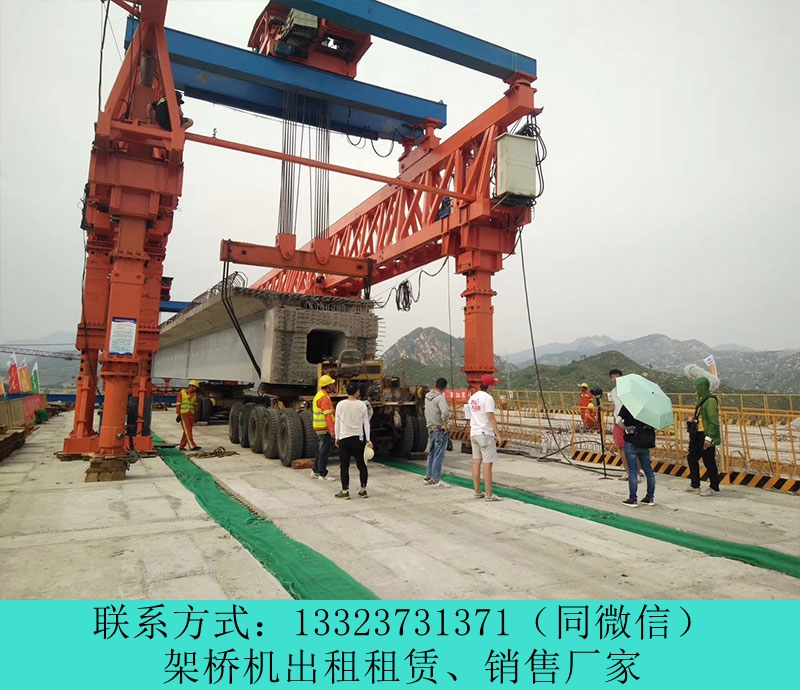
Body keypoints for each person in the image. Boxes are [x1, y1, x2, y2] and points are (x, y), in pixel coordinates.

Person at [468, 374, 503, 502]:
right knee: (488, 464)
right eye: (493, 385)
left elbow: (470, 415)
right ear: (489, 385)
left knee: (476, 462)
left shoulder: (472, 397)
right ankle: (489, 494)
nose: (494, 387)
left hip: (474, 432)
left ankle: (477, 491)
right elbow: (490, 416)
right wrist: (498, 434)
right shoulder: (488, 398)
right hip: (485, 433)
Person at [334, 381, 372, 500]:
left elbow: (337, 422)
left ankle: (345, 491)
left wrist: (337, 437)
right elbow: (366, 423)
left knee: (344, 466)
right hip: (358, 438)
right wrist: (368, 439)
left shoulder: (340, 405)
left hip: (344, 438)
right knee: (362, 464)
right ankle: (363, 489)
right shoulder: (362, 405)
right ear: (357, 392)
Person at [686, 375, 722, 496]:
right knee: (692, 457)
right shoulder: (702, 400)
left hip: (705, 434)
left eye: (696, 387)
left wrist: (709, 437)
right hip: (697, 434)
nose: (695, 390)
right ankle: (695, 484)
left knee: (709, 461)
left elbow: (713, 421)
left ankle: (714, 487)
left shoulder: (710, 401)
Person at [616, 405, 656, 507]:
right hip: (644, 441)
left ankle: (633, 499)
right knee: (648, 470)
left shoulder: (628, 405)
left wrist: (626, 428)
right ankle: (650, 497)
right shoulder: (646, 406)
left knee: (633, 471)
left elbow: (618, 421)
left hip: (631, 441)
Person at [609, 368, 642, 483]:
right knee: (621, 448)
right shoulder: (613, 392)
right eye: (613, 377)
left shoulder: (629, 389)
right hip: (618, 422)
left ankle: (636, 473)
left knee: (633, 447)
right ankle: (628, 471)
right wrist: (603, 408)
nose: (615, 378)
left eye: (617, 376)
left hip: (629, 421)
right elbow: (614, 407)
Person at [424, 377, 451, 487]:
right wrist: (444, 424)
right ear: (444, 388)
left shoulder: (427, 396)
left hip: (431, 427)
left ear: (435, 384)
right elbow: (445, 412)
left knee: (432, 453)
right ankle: (436, 479)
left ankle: (428, 476)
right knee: (439, 454)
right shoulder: (440, 398)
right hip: (439, 429)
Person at [311, 374, 337, 481]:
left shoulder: (319, 395)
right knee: (324, 451)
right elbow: (327, 415)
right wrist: (332, 430)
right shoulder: (324, 398)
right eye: (332, 384)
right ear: (328, 386)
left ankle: (315, 470)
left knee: (321, 450)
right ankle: (323, 473)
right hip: (324, 428)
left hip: (320, 427)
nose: (334, 386)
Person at [177, 380, 202, 451]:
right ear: (191, 386)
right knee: (188, 431)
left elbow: (195, 406)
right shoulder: (181, 393)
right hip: (184, 414)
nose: (196, 389)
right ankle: (192, 446)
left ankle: (182, 446)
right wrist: (178, 414)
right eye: (195, 387)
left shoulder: (195, 395)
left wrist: (196, 415)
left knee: (187, 431)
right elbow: (178, 404)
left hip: (191, 414)